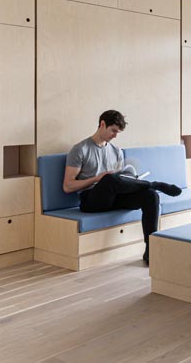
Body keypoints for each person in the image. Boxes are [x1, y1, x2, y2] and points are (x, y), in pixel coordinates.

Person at [63, 110, 182, 265]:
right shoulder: (80, 149)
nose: (115, 135)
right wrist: (96, 179)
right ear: (102, 124)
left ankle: (150, 250)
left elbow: (119, 180)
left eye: (118, 132)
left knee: (151, 196)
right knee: (109, 178)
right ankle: (155, 184)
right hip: (91, 200)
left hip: (114, 196)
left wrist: (131, 179)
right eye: (113, 131)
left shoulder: (116, 151)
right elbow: (68, 186)